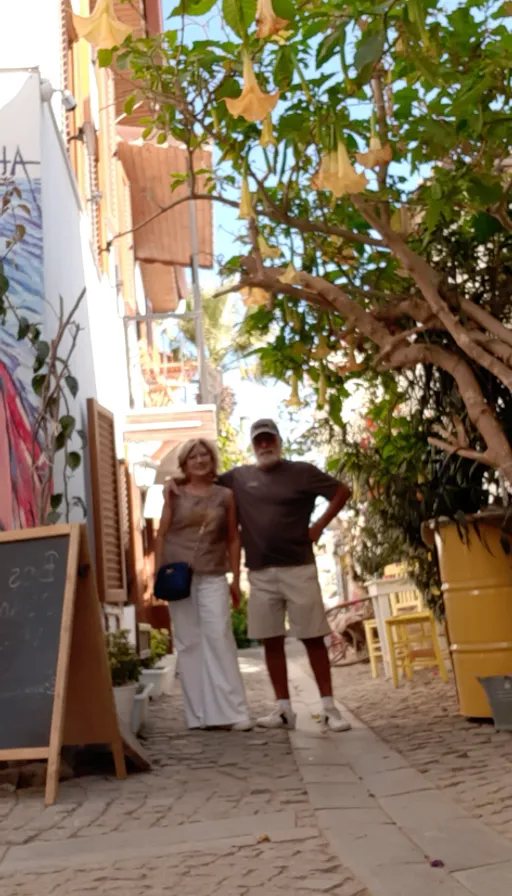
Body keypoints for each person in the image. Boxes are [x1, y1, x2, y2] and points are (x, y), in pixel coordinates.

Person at [167, 420, 352, 732]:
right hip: (260, 573)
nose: (265, 446)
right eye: (259, 441)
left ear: (279, 441)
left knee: (312, 637)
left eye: (269, 440)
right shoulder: (238, 478)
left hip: (299, 567)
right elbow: (201, 479)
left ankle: (330, 708)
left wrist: (320, 525)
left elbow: (342, 491)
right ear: (253, 445)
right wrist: (172, 482)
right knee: (271, 640)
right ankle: (283, 710)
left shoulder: (302, 472)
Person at [155, 438, 252, 731]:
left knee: (219, 636)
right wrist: (158, 573)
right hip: (178, 575)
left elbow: (233, 537)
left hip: (212, 573)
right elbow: (162, 533)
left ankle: (234, 712)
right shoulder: (174, 492)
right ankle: (198, 715)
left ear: (212, 460)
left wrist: (235, 578)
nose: (200, 460)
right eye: (193, 456)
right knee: (188, 642)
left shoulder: (225, 495)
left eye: (205, 455)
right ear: (185, 464)